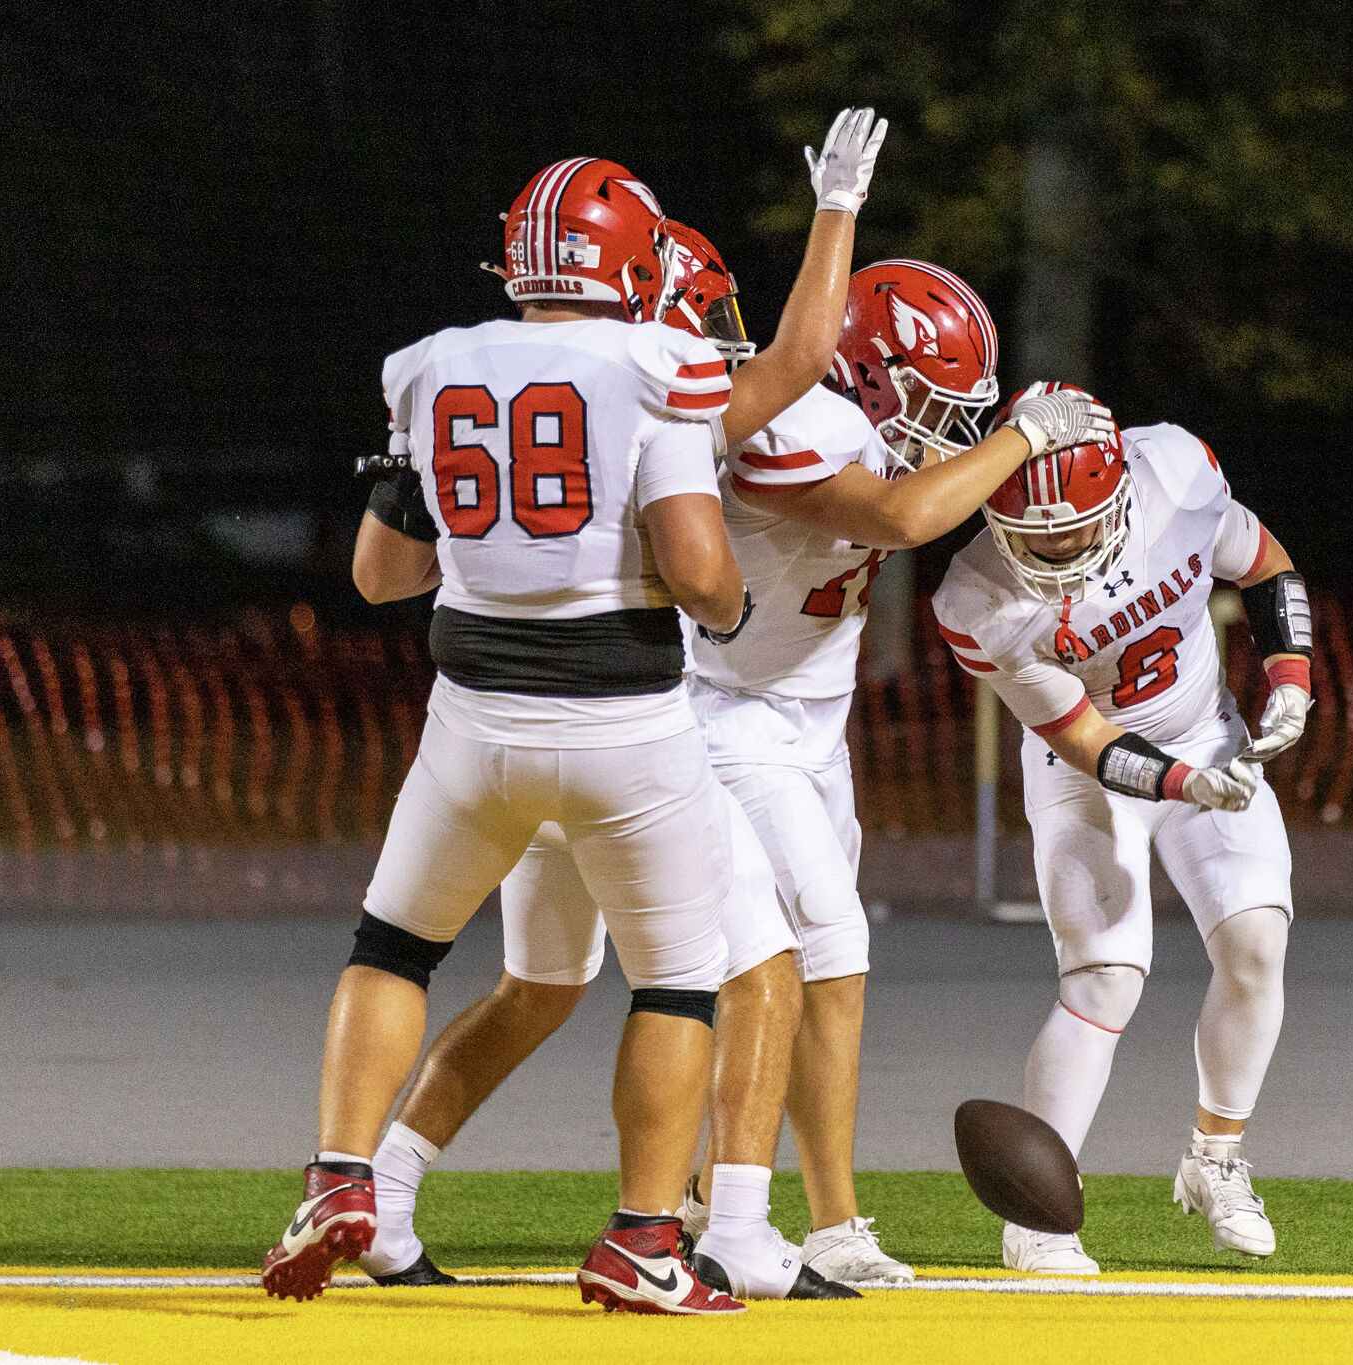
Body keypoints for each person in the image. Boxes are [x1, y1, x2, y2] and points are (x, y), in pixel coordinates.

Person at [353, 238, 1114, 1292]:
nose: (718, 339)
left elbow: (387, 568)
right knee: (766, 964)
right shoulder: (770, 419)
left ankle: (376, 1191)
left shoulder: (569, 395)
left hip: (566, 719)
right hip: (686, 723)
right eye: (933, 398)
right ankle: (745, 1223)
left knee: (534, 983)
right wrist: (1024, 433)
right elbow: (890, 517)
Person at [264, 108, 886, 1314]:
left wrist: (505, 547)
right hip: (621, 725)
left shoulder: (428, 364)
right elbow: (710, 563)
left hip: (467, 722)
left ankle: (343, 1175)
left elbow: (380, 578)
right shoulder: (654, 368)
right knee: (680, 985)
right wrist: (837, 210)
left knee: (395, 948)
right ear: (634, 267)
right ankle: (646, 1240)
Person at [931, 387, 1314, 1272]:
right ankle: (1036, 1217)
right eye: (1037, 535)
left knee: (1257, 943)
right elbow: (1087, 740)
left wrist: (1290, 672)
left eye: (1077, 528)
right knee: (1106, 976)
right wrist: (1185, 782)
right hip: (1081, 767)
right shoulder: (976, 597)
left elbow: (1262, 563)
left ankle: (1215, 1158)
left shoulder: (1175, 474)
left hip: (1202, 726)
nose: (1059, 550)